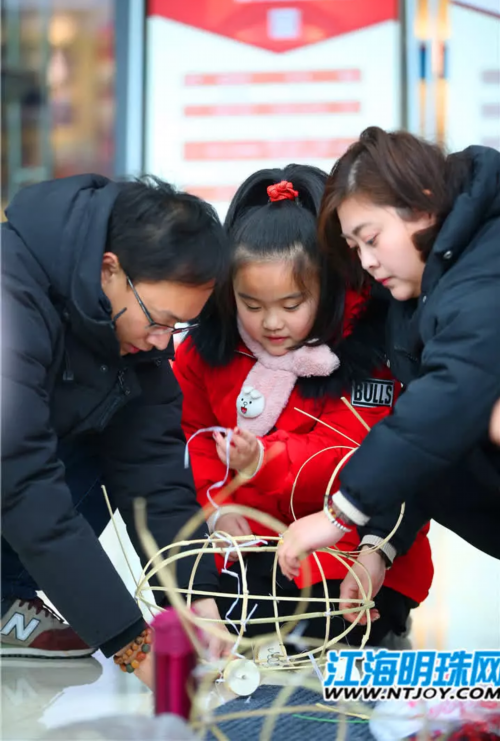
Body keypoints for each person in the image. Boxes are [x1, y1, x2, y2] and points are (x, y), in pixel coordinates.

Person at [173, 166, 433, 645]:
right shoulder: (208, 351)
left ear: (328, 287)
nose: (271, 323)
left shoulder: (370, 350)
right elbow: (192, 434)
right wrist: (217, 507)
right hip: (251, 544)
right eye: (252, 305)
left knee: (333, 640)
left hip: (354, 544)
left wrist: (265, 460)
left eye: (291, 305)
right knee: (222, 628)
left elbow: (358, 452)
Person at [1, 174, 231, 684]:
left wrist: (198, 600)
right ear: (110, 269)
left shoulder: (128, 326)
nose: (162, 341)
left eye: (178, 327)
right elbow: (19, 478)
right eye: (159, 320)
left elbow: (153, 469)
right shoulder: (10, 295)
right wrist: (133, 645)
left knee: (111, 434)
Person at [278, 128, 500, 594]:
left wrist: (341, 512)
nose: (367, 262)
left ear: (422, 204)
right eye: (355, 249)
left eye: (371, 238)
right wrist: (377, 543)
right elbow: (427, 442)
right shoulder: (416, 298)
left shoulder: (484, 267)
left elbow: (447, 401)